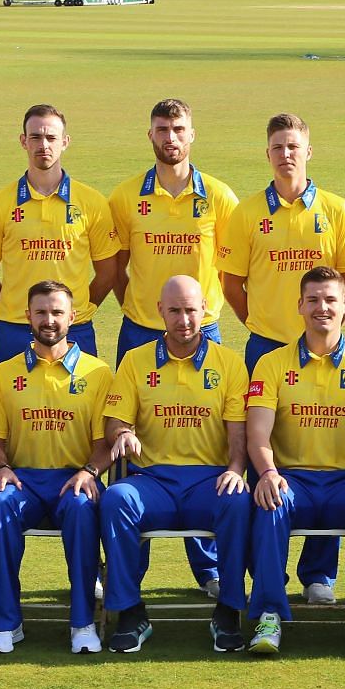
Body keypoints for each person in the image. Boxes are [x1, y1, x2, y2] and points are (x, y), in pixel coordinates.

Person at [219, 113, 345, 605]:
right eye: (278, 146)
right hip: (267, 348)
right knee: (265, 458)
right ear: (268, 153)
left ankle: (318, 575)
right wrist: (262, 325)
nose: (286, 154)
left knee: (323, 453)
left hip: (324, 350)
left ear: (309, 150)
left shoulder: (337, 210)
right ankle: (266, 573)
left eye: (294, 146)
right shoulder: (245, 212)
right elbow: (231, 282)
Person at [106, 98, 240, 596]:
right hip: (141, 330)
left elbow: (231, 269)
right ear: (150, 135)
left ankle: (209, 571)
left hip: (205, 332)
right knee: (129, 450)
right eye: (161, 128)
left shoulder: (220, 197)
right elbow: (116, 267)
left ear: (192, 134)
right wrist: (146, 309)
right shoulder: (125, 198)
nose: (170, 137)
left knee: (205, 444)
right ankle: (126, 572)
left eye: (178, 128)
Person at [98, 275, 253, 654]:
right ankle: (130, 612)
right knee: (117, 498)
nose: (183, 320)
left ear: (204, 310)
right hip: (153, 480)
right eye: (174, 311)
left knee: (237, 501)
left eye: (190, 310)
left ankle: (229, 611)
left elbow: (238, 435)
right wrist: (122, 434)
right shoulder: (134, 362)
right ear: (160, 313)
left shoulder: (229, 364)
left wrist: (235, 470)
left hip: (209, 481)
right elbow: (114, 421)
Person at [244, 267, 345, 657]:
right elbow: (257, 433)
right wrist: (269, 474)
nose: (322, 308)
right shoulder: (272, 363)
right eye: (313, 300)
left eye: (330, 300)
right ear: (300, 306)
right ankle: (269, 614)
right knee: (269, 500)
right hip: (293, 479)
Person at [0, 280, 114, 653]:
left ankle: (83, 623)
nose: (49, 320)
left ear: (73, 317)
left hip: (74, 477)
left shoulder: (98, 373)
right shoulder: (4, 373)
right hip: (22, 479)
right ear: (28, 316)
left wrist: (89, 472)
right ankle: (7, 623)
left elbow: (105, 444)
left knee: (81, 505)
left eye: (57, 312)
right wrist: (1, 468)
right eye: (41, 312)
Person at [0, 105, 121, 365]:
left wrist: (79, 309)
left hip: (75, 328)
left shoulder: (92, 202)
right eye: (35, 137)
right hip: (14, 328)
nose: (44, 145)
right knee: (10, 405)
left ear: (65, 142)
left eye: (51, 138)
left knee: (80, 405)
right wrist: (12, 308)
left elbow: (108, 273)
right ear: (23, 141)